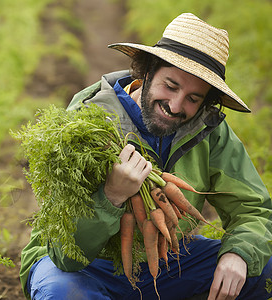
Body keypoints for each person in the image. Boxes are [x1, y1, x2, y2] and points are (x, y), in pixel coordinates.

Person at [19, 13, 272, 299]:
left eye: (193, 98)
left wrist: (239, 254)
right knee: (65, 293)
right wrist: (112, 195)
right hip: (85, 269)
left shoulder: (209, 128)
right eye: (171, 86)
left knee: (261, 268)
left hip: (168, 263)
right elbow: (66, 256)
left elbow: (253, 209)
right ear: (147, 71)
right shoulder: (85, 126)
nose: (176, 106)